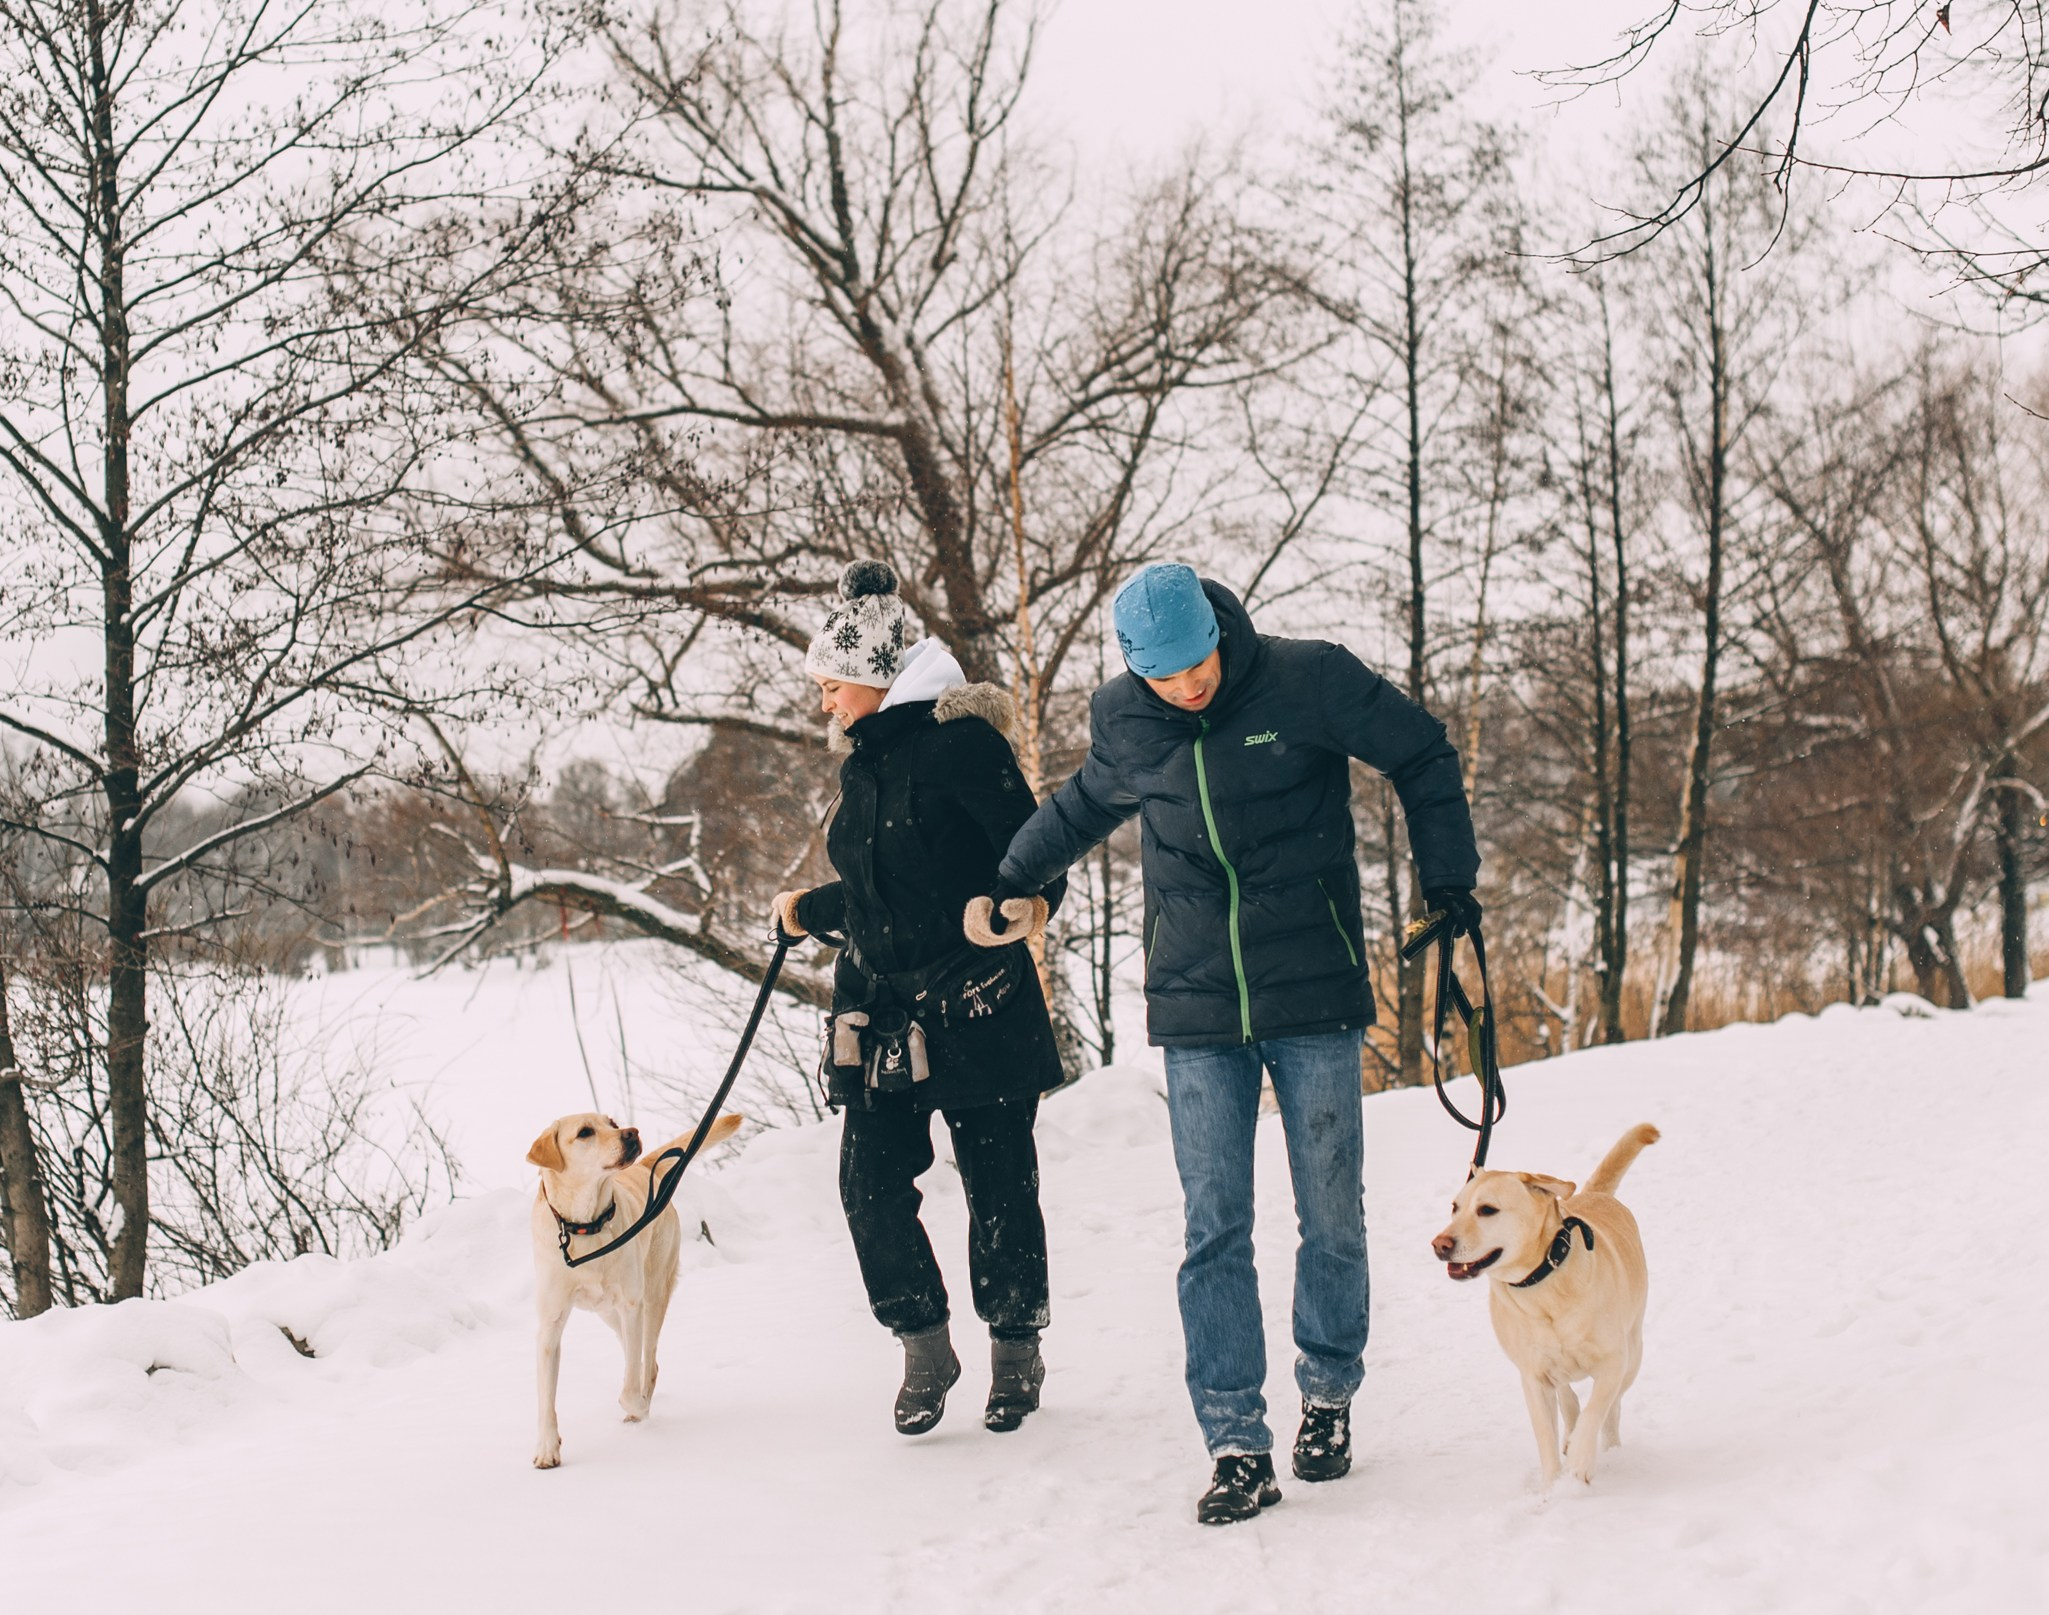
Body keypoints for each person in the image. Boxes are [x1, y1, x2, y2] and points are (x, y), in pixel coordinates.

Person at [978, 562, 1480, 1524]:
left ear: (1217, 628)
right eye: (1165, 675)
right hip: (1196, 1006)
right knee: (1214, 1228)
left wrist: (1446, 879)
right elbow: (1085, 803)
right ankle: (1235, 1440)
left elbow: (1421, 751)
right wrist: (1014, 874)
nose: (1188, 686)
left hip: (1312, 992)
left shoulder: (1307, 679)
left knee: (1330, 1214)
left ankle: (1327, 1396)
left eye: (1198, 663)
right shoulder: (1125, 718)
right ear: (1134, 666)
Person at [772, 559, 1068, 1437]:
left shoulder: (961, 742)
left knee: (998, 1185)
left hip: (975, 1001)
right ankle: (922, 1342)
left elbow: (1037, 851)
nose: (825, 703)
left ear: (875, 676)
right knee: (868, 1185)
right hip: (880, 1009)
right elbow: (886, 883)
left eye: (832, 686)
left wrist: (1014, 904)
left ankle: (1015, 1347)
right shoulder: (862, 764)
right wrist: (810, 908)